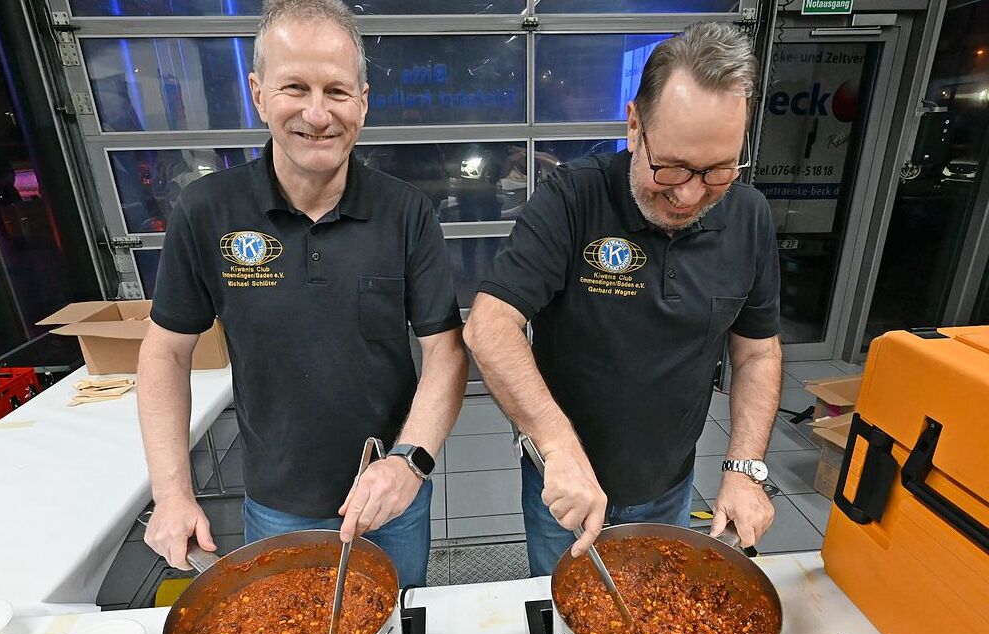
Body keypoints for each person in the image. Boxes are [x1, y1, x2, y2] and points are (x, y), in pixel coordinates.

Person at [138, 0, 467, 587]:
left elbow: (446, 351)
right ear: (259, 94)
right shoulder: (206, 211)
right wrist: (171, 493)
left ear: (362, 103)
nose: (318, 114)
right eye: (295, 87)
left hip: (389, 499)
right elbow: (165, 353)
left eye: (337, 91)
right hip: (276, 504)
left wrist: (410, 462)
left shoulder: (407, 213)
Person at [463, 23, 783, 577]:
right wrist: (558, 447)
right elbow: (490, 326)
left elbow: (757, 353)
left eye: (717, 171)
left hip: (671, 483)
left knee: (654, 613)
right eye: (673, 167)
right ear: (634, 125)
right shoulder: (573, 197)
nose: (688, 194)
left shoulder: (749, 217)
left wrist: (745, 467)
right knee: (569, 615)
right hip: (566, 484)